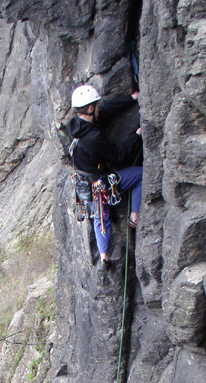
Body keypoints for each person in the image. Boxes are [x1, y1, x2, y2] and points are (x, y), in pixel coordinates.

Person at [66, 84, 143, 268]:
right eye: (97, 106)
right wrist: (137, 136)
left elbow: (106, 111)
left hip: (85, 185)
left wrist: (131, 98)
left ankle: (104, 256)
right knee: (140, 175)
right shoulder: (92, 138)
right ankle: (134, 217)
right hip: (101, 184)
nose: (100, 108)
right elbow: (118, 154)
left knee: (101, 217)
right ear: (91, 109)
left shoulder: (76, 127)